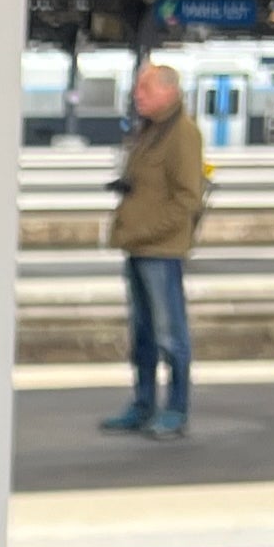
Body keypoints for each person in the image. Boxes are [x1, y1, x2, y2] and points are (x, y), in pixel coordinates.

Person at [102, 59, 207, 439]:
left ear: (169, 92)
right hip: (138, 247)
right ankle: (143, 404)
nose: (137, 95)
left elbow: (187, 199)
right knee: (143, 333)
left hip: (161, 251)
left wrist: (147, 229)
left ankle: (176, 409)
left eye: (145, 89)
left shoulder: (183, 135)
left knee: (170, 334)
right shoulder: (149, 132)